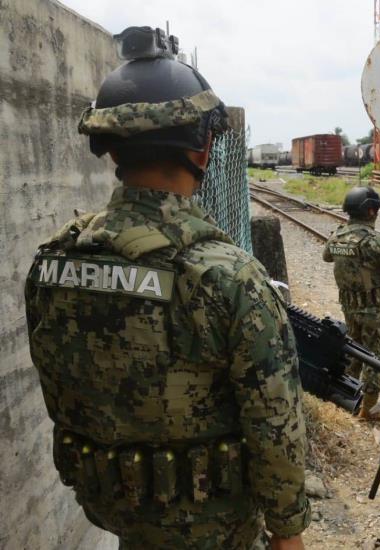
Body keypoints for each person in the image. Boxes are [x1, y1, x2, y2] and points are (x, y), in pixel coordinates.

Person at [24, 26, 309, 550]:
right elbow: (275, 427)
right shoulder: (229, 277)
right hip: (215, 525)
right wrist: (288, 532)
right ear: (200, 150)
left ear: (112, 151)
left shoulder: (54, 261)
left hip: (112, 505)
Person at [323, 187, 380, 420]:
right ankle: (369, 409)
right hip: (375, 308)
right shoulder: (375, 242)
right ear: (371, 211)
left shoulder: (337, 235)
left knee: (353, 351)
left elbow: (327, 256)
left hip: (349, 306)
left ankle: (347, 397)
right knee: (375, 357)